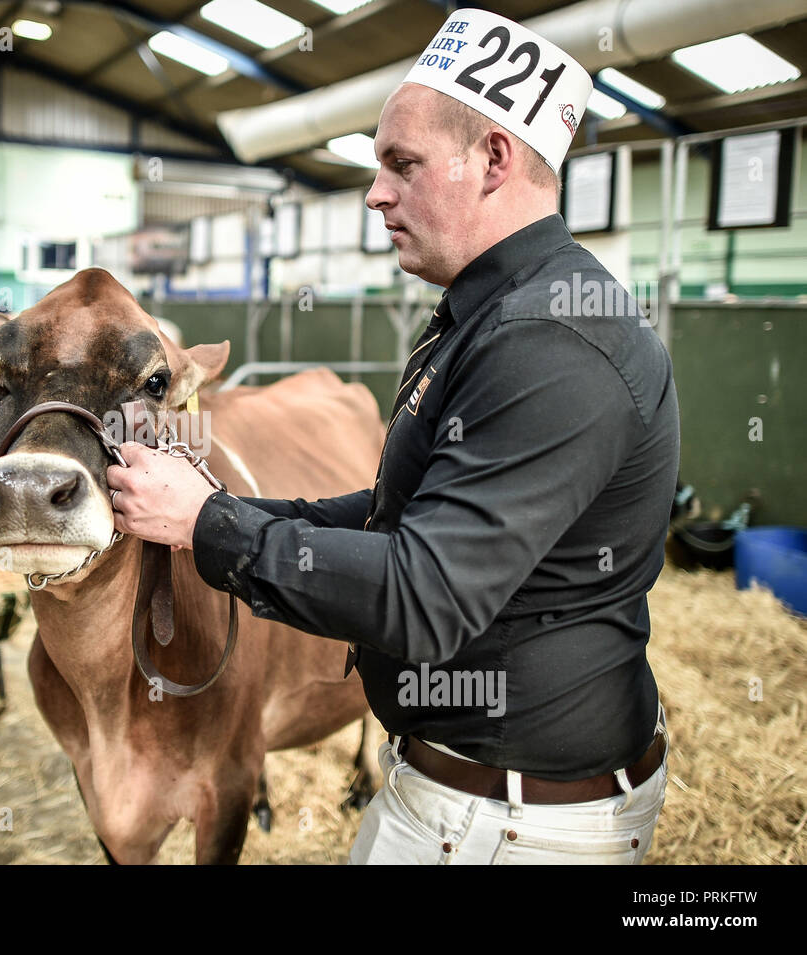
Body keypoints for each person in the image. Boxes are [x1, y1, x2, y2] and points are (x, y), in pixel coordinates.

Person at [107, 9, 679, 865]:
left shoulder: (550, 341)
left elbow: (424, 596)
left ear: (494, 158)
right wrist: (222, 503)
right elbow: (395, 512)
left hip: (510, 822)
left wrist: (210, 527)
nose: (375, 192)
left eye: (400, 164)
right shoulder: (485, 312)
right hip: (458, 790)